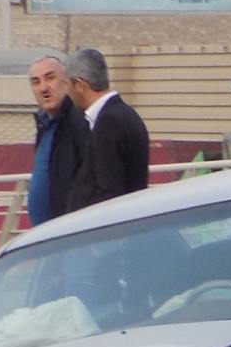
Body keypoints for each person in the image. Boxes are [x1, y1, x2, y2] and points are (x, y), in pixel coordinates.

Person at [63, 47, 149, 212]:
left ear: (80, 85)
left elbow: (109, 190)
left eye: (68, 84)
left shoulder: (108, 123)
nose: (68, 92)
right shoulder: (126, 114)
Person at [25, 54, 85, 226]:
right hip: (46, 237)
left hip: (68, 235)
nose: (43, 88)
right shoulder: (45, 126)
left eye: (50, 78)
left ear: (66, 81)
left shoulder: (79, 123)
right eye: (36, 82)